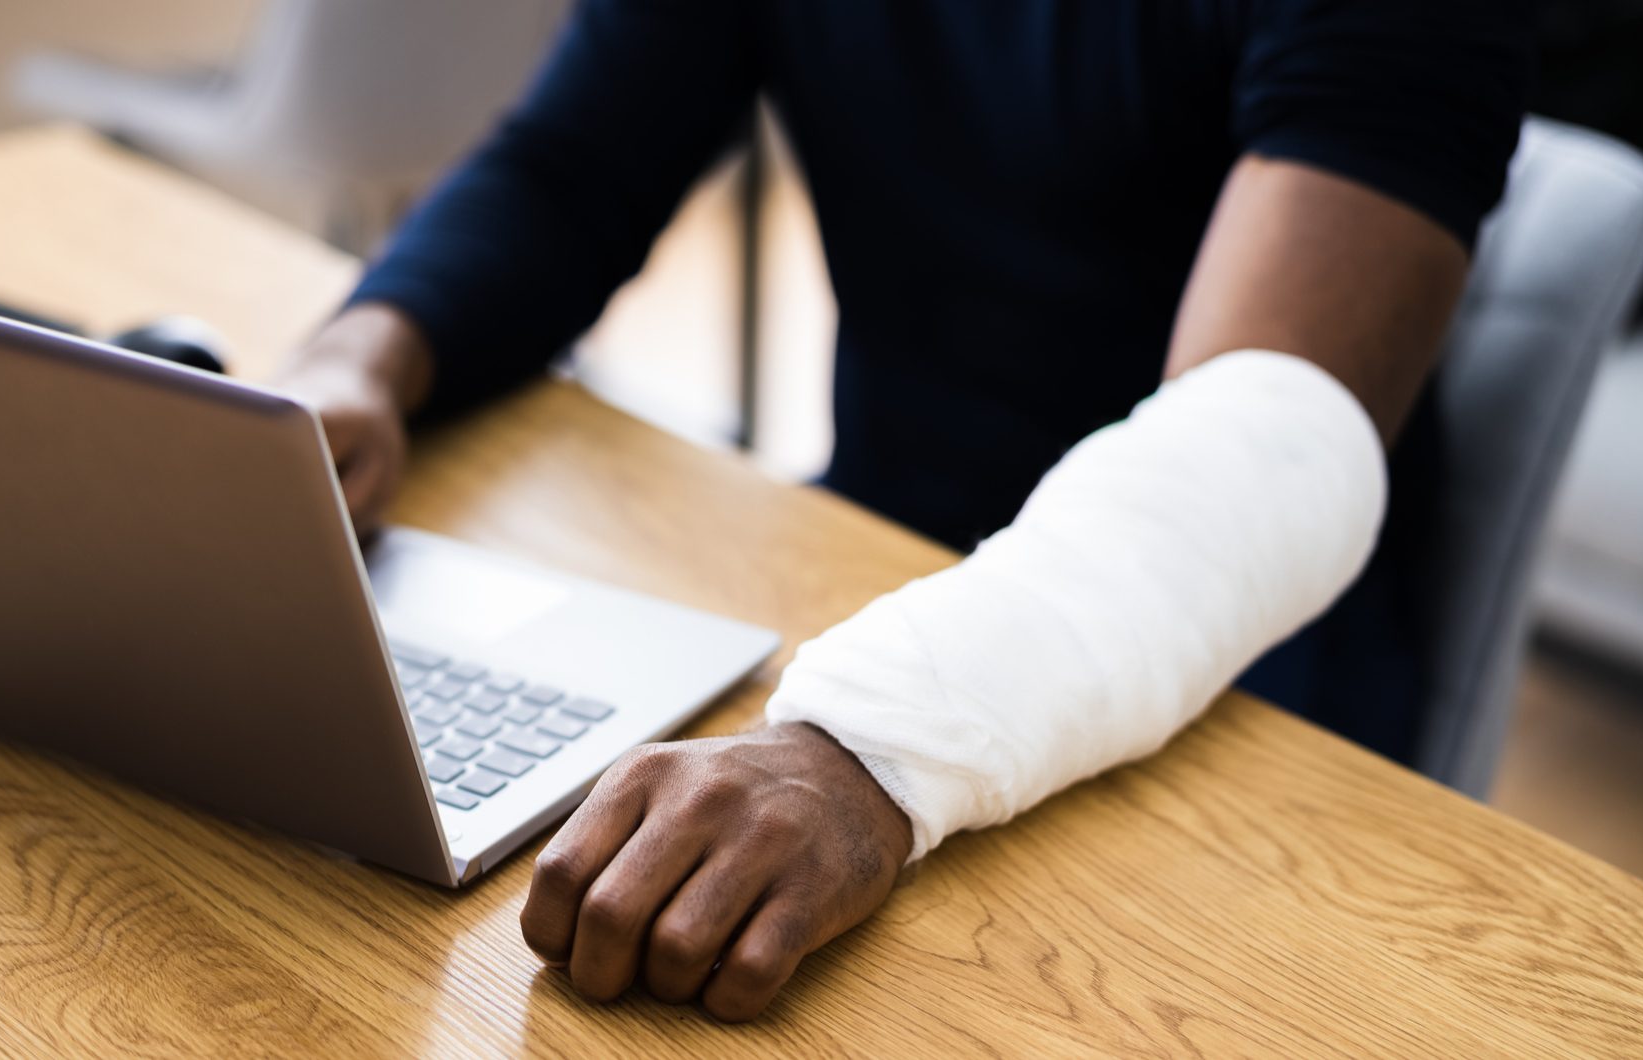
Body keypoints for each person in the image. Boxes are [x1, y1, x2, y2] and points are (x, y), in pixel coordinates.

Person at [276, 0, 1534, 1023]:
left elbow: (1270, 445)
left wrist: (868, 745)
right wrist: (361, 365)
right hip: (869, 575)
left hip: (1240, 681)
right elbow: (572, 170)